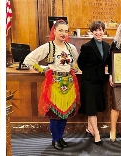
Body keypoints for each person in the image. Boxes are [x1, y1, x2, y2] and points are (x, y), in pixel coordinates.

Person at [23, 19, 80, 150]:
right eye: (60, 30)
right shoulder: (48, 47)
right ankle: (55, 140)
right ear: (54, 31)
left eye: (66, 31)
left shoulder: (71, 48)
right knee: (55, 114)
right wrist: (42, 69)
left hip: (69, 84)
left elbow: (75, 62)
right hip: (55, 84)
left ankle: (60, 137)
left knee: (65, 113)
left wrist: (75, 67)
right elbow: (29, 60)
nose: (63, 33)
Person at [77, 21, 110, 146]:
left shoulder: (107, 46)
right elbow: (81, 63)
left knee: (94, 105)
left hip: (99, 80)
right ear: (92, 32)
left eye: (100, 30)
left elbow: (107, 61)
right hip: (89, 80)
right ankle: (96, 133)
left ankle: (90, 128)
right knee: (91, 108)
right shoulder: (87, 46)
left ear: (104, 31)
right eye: (95, 30)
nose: (98, 32)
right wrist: (90, 71)